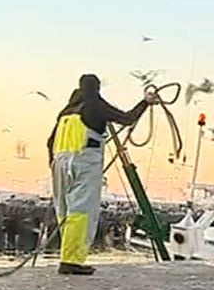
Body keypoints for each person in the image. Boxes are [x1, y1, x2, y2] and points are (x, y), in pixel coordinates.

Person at [46, 74, 158, 275]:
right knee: (81, 212)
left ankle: (67, 256)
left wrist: (53, 165)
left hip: (59, 162)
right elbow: (128, 118)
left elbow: (49, 141)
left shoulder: (65, 113)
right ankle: (71, 261)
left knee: (64, 212)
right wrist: (146, 103)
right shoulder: (95, 105)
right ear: (97, 88)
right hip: (84, 161)